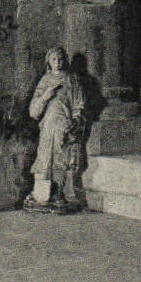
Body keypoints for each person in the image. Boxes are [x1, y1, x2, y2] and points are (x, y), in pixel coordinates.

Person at [23, 47, 88, 213]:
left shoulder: (71, 80)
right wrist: (46, 96)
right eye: (54, 60)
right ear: (48, 62)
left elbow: (78, 104)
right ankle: (41, 195)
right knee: (44, 158)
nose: (57, 63)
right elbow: (33, 111)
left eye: (60, 59)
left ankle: (60, 192)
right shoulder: (44, 81)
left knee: (62, 158)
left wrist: (74, 120)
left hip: (64, 125)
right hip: (47, 127)